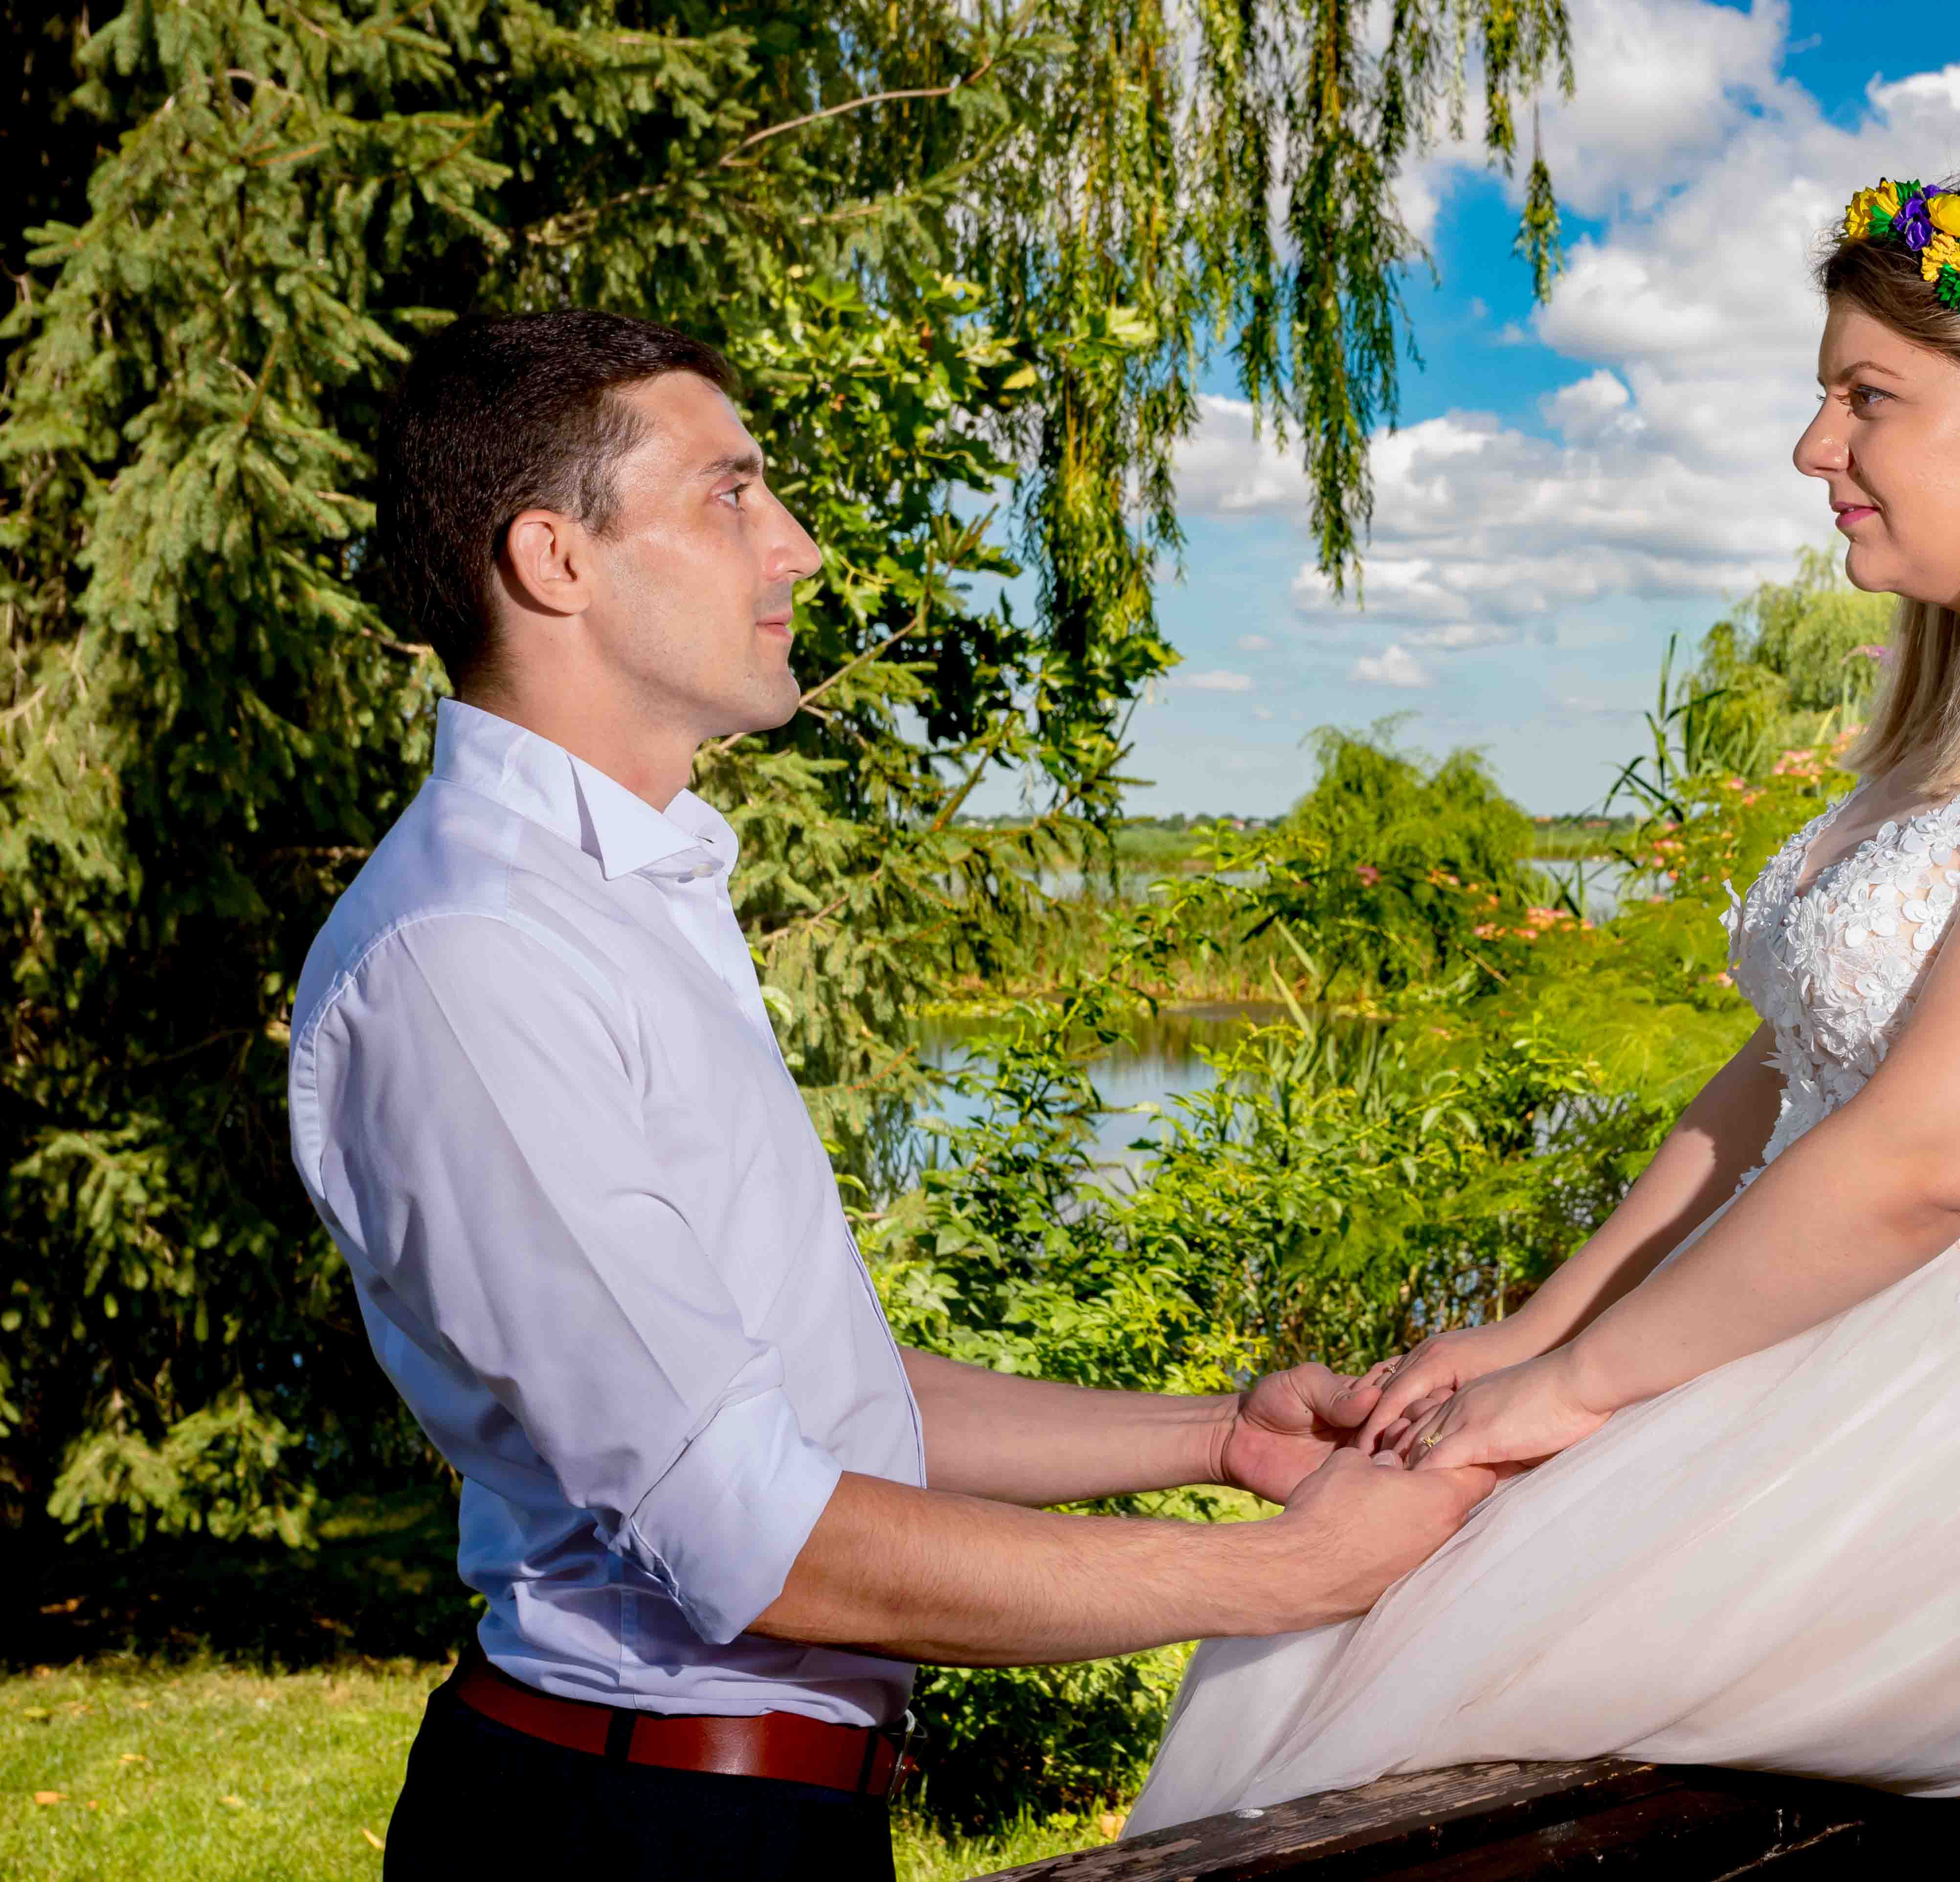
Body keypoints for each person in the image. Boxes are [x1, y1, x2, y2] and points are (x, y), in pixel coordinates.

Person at [1122, 175, 1960, 1829]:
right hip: (1834, 1346)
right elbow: (1779, 1081)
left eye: (1867, 397)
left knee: (1380, 1636)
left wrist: (1575, 1394)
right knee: (1349, 1554)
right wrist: (1535, 1329)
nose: (1813, 447)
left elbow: (1928, 1156)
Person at [284, 310, 1493, 1879]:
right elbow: (750, 1527)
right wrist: (1286, 1573)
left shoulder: (623, 898)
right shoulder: (475, 955)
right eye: (731, 493)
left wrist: (1216, 1437)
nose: (793, 547)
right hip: (637, 1831)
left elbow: (828, 1401)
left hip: (743, 1813)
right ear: (553, 560)